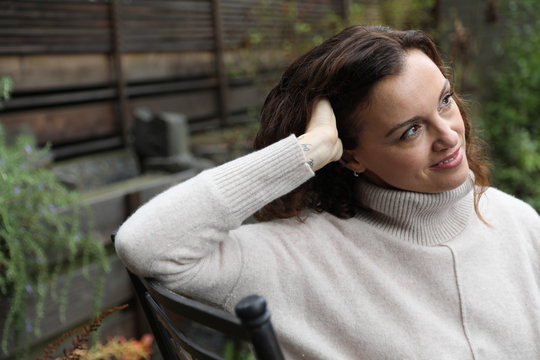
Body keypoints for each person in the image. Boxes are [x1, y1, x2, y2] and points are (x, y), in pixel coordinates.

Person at [114, 25, 540, 359]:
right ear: (350, 156)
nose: (449, 135)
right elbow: (145, 244)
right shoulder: (296, 259)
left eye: (445, 101)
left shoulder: (518, 224)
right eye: (410, 130)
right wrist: (306, 151)